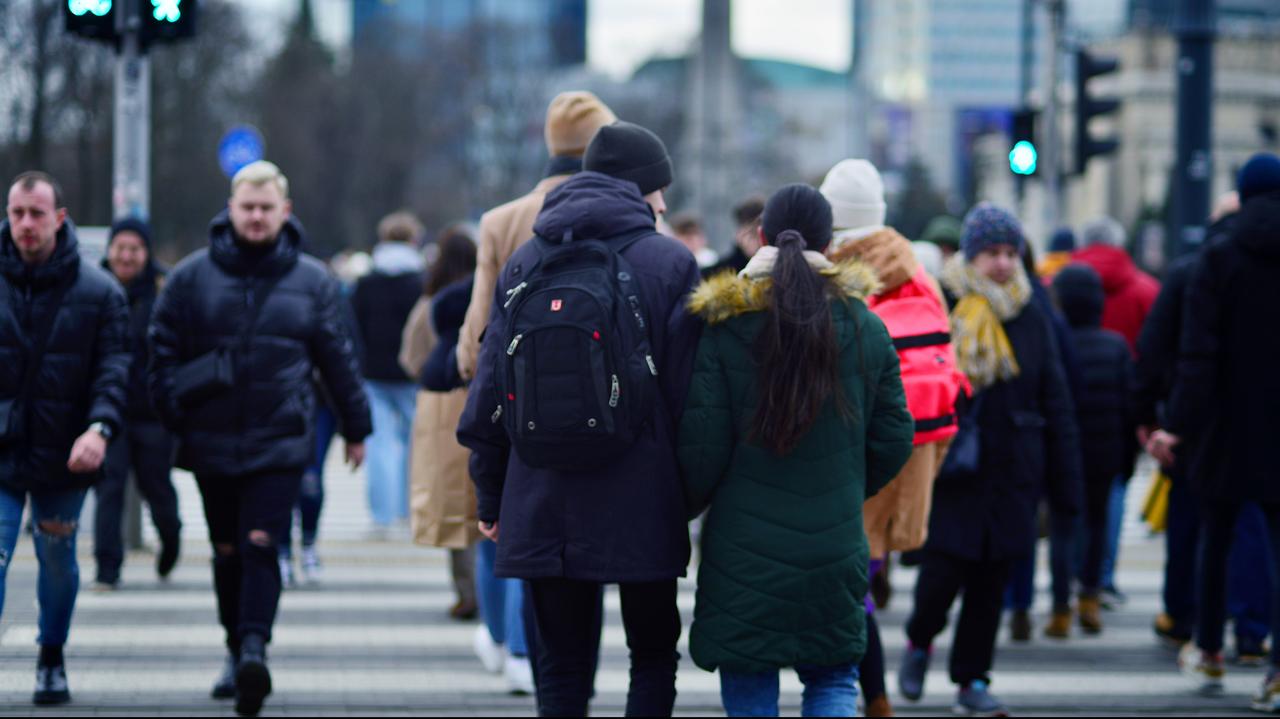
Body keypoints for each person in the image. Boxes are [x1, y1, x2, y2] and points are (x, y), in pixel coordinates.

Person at [458, 121, 701, 717]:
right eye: (658, 188)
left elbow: (490, 391)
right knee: (651, 655)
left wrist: (491, 497)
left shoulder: (525, 261)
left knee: (560, 667)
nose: (664, 202)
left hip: (543, 495)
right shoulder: (670, 263)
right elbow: (690, 396)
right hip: (642, 490)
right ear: (637, 189)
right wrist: (688, 495)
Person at [679, 183, 914, 718]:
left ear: (759, 237)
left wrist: (688, 507)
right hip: (835, 543)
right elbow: (896, 435)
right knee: (832, 679)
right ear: (831, 245)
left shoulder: (725, 328)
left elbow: (700, 448)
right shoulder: (864, 327)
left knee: (750, 677)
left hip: (742, 549)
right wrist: (848, 480)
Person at [148, 160, 371, 717]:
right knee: (226, 552)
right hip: (211, 439)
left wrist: (355, 426)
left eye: (265, 208)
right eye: (247, 207)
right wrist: (173, 412)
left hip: (281, 440)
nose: (255, 217)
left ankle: (254, 649)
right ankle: (233, 648)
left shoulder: (313, 280)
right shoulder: (190, 277)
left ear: (284, 212)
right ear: (230, 208)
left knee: (260, 545)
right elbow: (159, 350)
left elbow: (337, 359)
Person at [454, 90, 617, 695]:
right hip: (605, 424)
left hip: (523, 424)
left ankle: (516, 648)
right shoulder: (622, 212)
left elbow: (477, 337)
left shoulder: (501, 221)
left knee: (510, 539)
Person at [898, 203, 1082, 717]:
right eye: (991, 253)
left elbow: (1056, 399)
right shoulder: (943, 303)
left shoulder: (1032, 314)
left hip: (1014, 472)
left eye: (1009, 253)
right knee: (940, 579)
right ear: (972, 256)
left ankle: (971, 680)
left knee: (990, 587)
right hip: (955, 468)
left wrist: (1066, 487)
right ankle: (919, 641)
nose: (1002, 263)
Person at [820, 158, 963, 717]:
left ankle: (873, 698)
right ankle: (871, 693)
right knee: (862, 581)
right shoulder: (920, 273)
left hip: (856, 461)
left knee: (848, 593)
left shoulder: (841, 275)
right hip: (916, 454)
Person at [1149, 152, 1280, 708]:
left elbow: (1197, 356)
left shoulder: (1217, 258)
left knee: (1215, 536)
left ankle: (1207, 648)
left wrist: (1175, 425)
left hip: (1223, 430)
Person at [0, 172, 128, 706]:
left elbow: (114, 369)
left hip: (65, 450)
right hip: (3, 448)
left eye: (36, 213)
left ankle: (51, 655)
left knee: (57, 556)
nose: (26, 224)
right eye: (16, 213)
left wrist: (99, 429)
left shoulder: (99, 292)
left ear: (60, 217)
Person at [93, 217, 182, 591]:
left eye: (135, 249)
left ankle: (171, 541)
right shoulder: (94, 288)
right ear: (110, 251)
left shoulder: (164, 291)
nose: (126, 256)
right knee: (109, 489)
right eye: (120, 248)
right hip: (108, 410)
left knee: (156, 486)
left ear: (146, 253)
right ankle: (107, 569)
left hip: (153, 413)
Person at [400, 226, 480, 623]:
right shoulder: (489, 294)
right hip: (481, 397)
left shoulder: (433, 301)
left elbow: (412, 354)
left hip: (441, 401)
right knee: (487, 496)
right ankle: (492, 590)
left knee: (453, 495)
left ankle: (466, 591)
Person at [1051, 264, 1134, 636]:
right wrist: (1127, 459)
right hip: (1105, 452)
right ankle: (1090, 595)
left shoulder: (1057, 343)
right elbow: (1129, 407)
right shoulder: (1115, 345)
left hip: (1064, 452)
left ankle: (1059, 606)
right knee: (1098, 521)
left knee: (1062, 524)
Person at [351, 211, 426, 533]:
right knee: (415, 444)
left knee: (379, 443)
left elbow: (353, 328)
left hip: (373, 371)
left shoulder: (365, 283)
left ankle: (381, 516)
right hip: (413, 373)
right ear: (414, 240)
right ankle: (408, 511)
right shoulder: (422, 282)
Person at [703, 195, 765, 278]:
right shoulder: (718, 272)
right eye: (750, 234)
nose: (753, 241)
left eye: (755, 234)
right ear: (739, 234)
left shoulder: (779, 266)